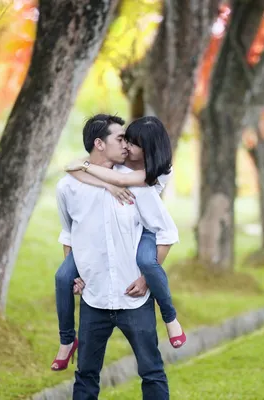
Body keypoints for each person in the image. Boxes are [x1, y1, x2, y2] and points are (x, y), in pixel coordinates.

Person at [56, 114, 178, 399]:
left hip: (132, 298)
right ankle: (66, 341)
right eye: (120, 139)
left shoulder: (138, 183)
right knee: (85, 376)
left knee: (152, 372)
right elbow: (68, 235)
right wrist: (74, 273)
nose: (127, 145)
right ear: (99, 143)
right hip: (94, 299)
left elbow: (164, 234)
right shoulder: (68, 188)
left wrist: (147, 278)